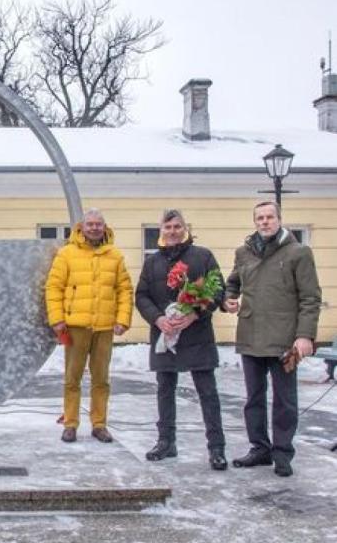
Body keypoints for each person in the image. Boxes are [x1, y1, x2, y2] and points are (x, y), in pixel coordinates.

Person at [224, 201, 321, 477]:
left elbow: (310, 297)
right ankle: (260, 448)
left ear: (279, 219)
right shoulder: (244, 253)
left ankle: (282, 452)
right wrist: (228, 299)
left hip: (284, 339)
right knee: (253, 397)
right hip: (251, 334)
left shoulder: (298, 253)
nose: (264, 222)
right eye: (260, 218)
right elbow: (233, 283)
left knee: (284, 400)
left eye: (269, 217)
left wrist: (305, 335)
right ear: (254, 221)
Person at [135, 209, 228, 470]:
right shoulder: (152, 262)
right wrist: (158, 319)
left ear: (184, 229)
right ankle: (166, 442)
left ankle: (217, 448)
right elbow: (141, 296)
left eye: (177, 226)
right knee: (165, 390)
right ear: (161, 231)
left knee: (207, 393)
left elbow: (217, 288)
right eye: (168, 227)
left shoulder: (202, 255)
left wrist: (194, 314)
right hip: (165, 335)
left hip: (197, 335)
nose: (172, 231)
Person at [45, 208, 133, 443]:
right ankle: (71, 423)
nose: (94, 228)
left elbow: (124, 289)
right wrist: (57, 318)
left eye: (98, 224)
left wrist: (123, 318)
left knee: (101, 379)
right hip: (75, 326)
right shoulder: (66, 254)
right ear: (81, 227)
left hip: (104, 327)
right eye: (90, 224)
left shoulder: (115, 256)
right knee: (72, 378)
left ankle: (99, 424)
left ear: (105, 227)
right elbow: (54, 287)